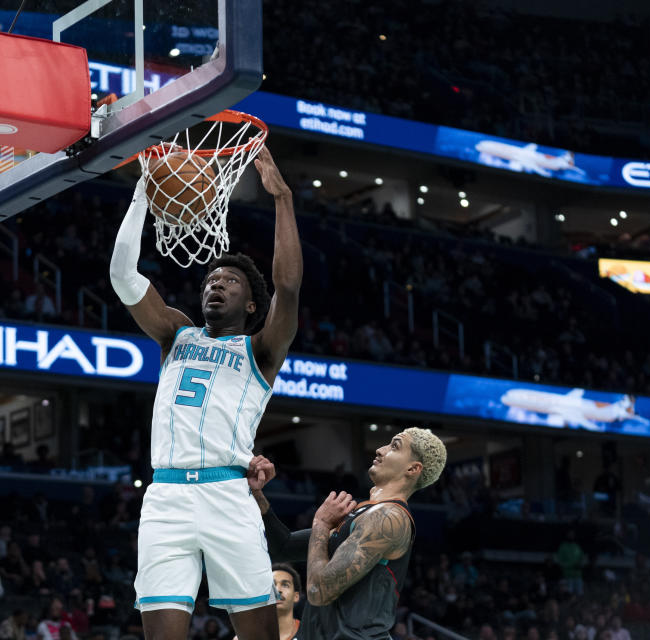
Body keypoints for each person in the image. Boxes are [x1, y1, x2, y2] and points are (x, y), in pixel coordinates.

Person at [109, 145, 302, 640]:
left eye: (230, 282)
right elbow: (122, 276)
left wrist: (281, 199)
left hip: (227, 493)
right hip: (166, 497)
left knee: (259, 635)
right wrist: (141, 194)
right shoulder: (176, 334)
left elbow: (289, 286)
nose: (216, 285)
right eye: (211, 279)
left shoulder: (260, 350)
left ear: (251, 302)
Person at [249, 428, 447, 640]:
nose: (380, 450)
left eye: (394, 446)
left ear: (412, 468)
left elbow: (319, 591)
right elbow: (282, 548)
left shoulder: (390, 517)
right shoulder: (361, 513)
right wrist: (257, 493)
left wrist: (321, 524)